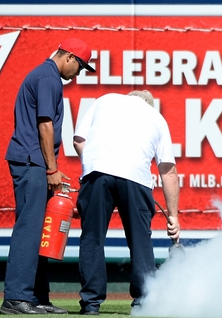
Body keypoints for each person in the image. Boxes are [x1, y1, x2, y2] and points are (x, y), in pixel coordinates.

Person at [2, 38, 96, 315]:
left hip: (34, 161)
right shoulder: (49, 77)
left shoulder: (45, 76)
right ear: (68, 57)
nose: (78, 73)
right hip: (31, 161)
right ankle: (16, 297)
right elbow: (45, 126)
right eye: (80, 67)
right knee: (29, 231)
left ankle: (36, 297)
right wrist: (51, 169)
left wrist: (51, 168)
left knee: (41, 231)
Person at [72, 90, 180, 315]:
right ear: (148, 105)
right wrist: (173, 216)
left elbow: (79, 140)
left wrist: (93, 162)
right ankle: (142, 301)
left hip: (97, 171)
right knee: (140, 241)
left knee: (92, 238)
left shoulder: (104, 100)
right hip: (136, 177)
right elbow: (168, 171)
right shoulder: (157, 118)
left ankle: (91, 303)